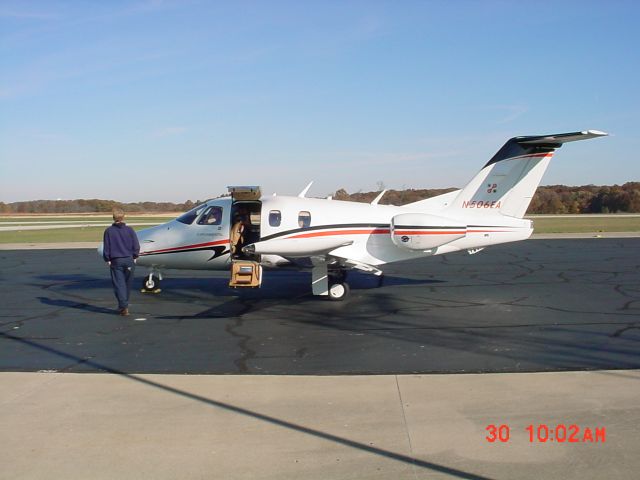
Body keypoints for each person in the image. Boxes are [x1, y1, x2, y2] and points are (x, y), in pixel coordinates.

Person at [103, 207, 140, 316]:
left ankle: (123, 306)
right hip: (129, 260)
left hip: (116, 260)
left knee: (119, 284)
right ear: (123, 217)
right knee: (127, 284)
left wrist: (107, 258)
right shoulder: (130, 230)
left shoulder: (109, 231)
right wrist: (135, 256)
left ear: (113, 218)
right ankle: (124, 304)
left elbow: (107, 247)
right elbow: (136, 245)